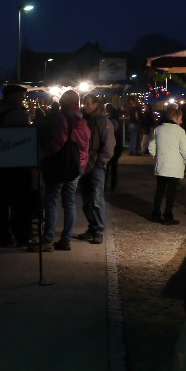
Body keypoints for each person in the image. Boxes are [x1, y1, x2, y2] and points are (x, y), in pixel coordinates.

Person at [30, 89, 90, 252]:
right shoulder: (83, 122)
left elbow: (57, 144)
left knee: (50, 201)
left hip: (59, 166)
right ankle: (65, 240)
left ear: (65, 104)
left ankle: (48, 239)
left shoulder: (61, 119)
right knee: (69, 202)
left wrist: (45, 156)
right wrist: (82, 166)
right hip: (75, 167)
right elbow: (85, 147)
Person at [0, 84, 34, 248]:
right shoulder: (16, 114)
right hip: (16, 164)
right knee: (21, 202)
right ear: (12, 96)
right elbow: (25, 141)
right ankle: (22, 236)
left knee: (2, 201)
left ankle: (3, 235)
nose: (22, 99)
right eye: (20, 96)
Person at [75, 93, 115, 245]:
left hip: (95, 164)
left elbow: (108, 145)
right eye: (84, 103)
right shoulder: (83, 119)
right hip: (85, 164)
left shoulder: (102, 120)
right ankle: (93, 227)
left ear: (96, 104)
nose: (85, 106)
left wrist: (100, 162)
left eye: (88, 103)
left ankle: (98, 230)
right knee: (86, 199)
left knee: (97, 199)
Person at [148, 104, 186, 225]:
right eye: (180, 118)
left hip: (161, 164)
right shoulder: (180, 131)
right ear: (175, 118)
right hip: (175, 165)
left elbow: (151, 146)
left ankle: (155, 214)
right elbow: (184, 149)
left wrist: (156, 156)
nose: (181, 121)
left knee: (159, 190)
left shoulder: (158, 129)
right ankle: (168, 215)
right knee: (171, 192)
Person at [105, 102, 123, 192]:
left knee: (107, 167)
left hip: (111, 146)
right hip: (117, 146)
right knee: (113, 167)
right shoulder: (117, 120)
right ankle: (113, 185)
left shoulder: (110, 120)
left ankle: (105, 185)